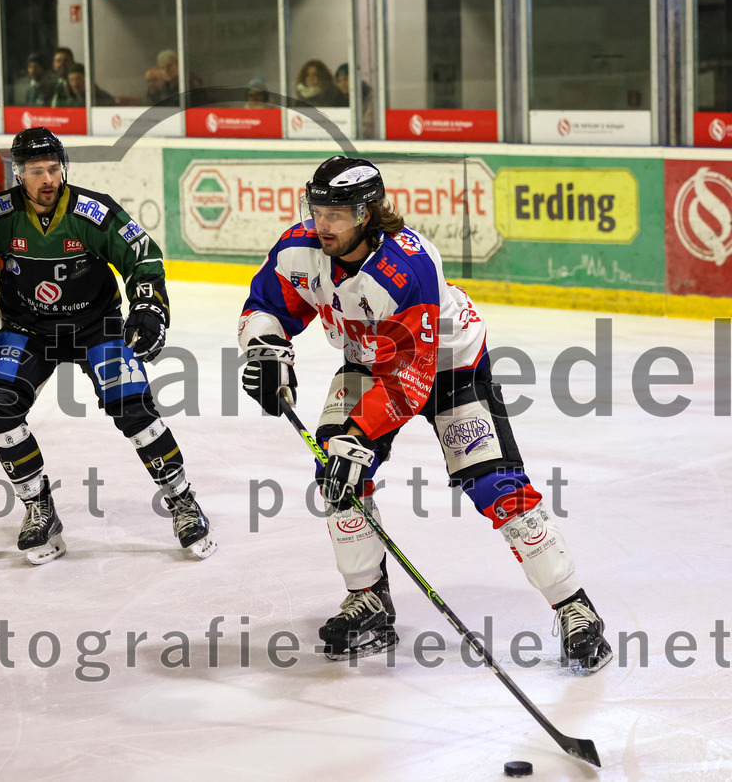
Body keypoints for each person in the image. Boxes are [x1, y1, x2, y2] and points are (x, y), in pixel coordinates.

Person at [238, 155, 612, 672]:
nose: (322, 224)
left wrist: (359, 434)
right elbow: (266, 304)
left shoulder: (406, 268)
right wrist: (266, 346)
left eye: (337, 215)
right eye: (317, 210)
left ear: (367, 214)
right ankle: (368, 599)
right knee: (339, 474)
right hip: (369, 361)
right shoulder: (299, 249)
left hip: (449, 366)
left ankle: (575, 607)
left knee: (496, 487)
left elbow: (410, 380)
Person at [0, 128, 217, 564]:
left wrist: (148, 307)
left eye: (53, 169)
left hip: (97, 325)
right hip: (28, 328)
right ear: (19, 174)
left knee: (131, 404)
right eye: (36, 171)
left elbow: (143, 257)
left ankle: (182, 499)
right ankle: (39, 508)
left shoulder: (91, 211)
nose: (48, 179)